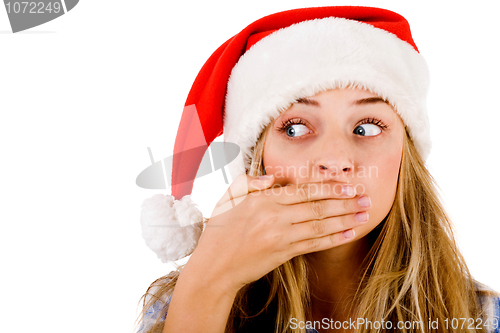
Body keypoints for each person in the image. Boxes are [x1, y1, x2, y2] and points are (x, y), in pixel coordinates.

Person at [135, 6, 500, 333]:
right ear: (255, 161)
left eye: (367, 126)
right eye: (295, 128)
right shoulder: (179, 305)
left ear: (407, 156)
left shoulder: (484, 319)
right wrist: (209, 282)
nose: (336, 159)